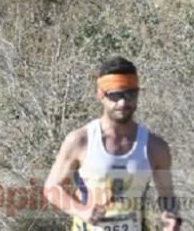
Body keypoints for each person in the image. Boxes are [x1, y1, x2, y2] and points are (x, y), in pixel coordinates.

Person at [43, 57, 181, 231]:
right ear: (101, 95)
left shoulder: (155, 147)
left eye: (130, 94)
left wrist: (171, 219)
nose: (123, 103)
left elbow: (167, 196)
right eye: (115, 95)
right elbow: (51, 188)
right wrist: (80, 211)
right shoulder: (80, 140)